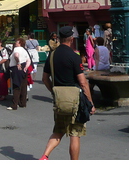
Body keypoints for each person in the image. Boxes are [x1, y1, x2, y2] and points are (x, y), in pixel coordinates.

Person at [39, 25, 95, 160]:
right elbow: (83, 82)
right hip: (75, 99)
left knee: (58, 131)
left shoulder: (52, 55)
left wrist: (54, 91)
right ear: (71, 39)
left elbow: (45, 78)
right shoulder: (74, 56)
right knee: (75, 133)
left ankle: (45, 156)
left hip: (60, 99)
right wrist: (90, 102)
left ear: (59, 38)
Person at [7, 37, 31, 110]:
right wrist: (26, 67)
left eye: (17, 41)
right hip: (24, 67)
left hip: (17, 68)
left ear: (19, 43)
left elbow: (16, 55)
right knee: (23, 86)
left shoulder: (16, 49)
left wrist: (18, 62)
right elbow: (28, 60)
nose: (15, 43)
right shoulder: (24, 50)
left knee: (16, 86)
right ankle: (23, 103)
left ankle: (14, 104)